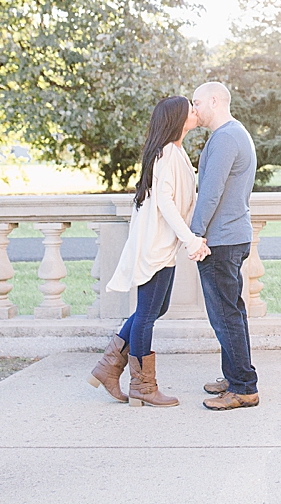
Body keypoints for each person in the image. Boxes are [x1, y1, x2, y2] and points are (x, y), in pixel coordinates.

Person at [89, 95, 209, 407]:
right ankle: (142, 386)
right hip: (156, 245)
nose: (195, 112)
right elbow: (166, 204)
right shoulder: (167, 153)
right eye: (190, 109)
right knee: (147, 314)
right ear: (178, 119)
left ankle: (108, 366)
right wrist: (191, 241)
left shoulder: (175, 152)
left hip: (163, 245)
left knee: (156, 308)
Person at [188, 81, 260, 411]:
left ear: (215, 101)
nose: (194, 109)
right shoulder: (235, 133)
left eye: (198, 102)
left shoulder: (226, 137)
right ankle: (234, 377)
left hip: (222, 240)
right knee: (231, 312)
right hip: (232, 235)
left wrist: (195, 234)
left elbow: (211, 192)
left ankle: (244, 387)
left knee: (225, 315)